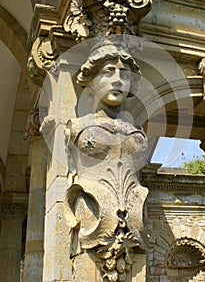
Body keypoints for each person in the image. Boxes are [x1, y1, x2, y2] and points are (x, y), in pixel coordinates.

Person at [64, 39, 148, 281]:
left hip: (133, 227)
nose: (117, 80)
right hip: (92, 221)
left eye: (124, 74)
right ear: (91, 81)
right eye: (108, 72)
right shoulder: (77, 127)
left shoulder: (137, 132)